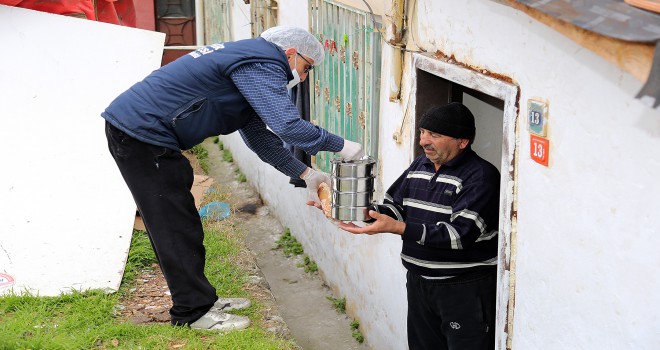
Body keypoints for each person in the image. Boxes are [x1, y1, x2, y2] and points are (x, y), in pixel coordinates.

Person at [102, 26, 363, 332]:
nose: (303, 78)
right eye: (307, 68)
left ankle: (203, 300)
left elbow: (258, 138)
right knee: (173, 226)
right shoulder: (263, 63)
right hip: (141, 135)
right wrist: (344, 147)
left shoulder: (249, 63)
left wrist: (304, 173)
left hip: (146, 134)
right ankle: (193, 313)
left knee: (180, 220)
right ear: (291, 53)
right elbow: (287, 126)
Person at [336, 103, 500, 349]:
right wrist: (349, 208)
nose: (424, 141)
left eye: (435, 135)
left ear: (463, 141)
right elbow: (394, 208)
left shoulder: (481, 176)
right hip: (419, 284)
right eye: (423, 132)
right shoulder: (419, 166)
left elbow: (459, 235)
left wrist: (400, 228)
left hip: (463, 288)